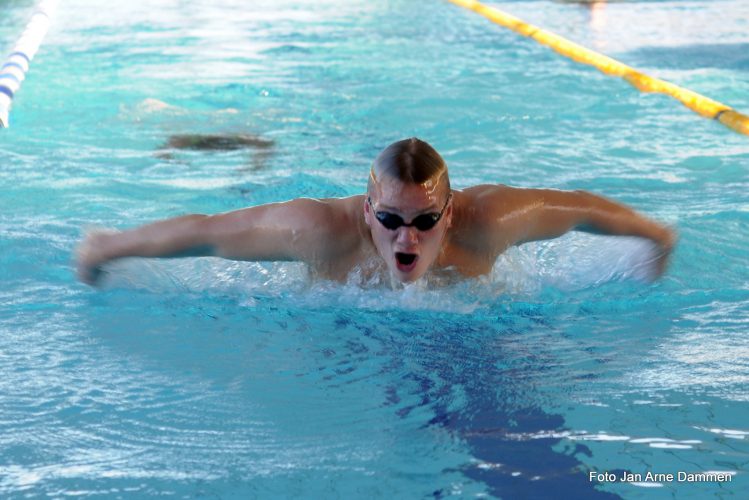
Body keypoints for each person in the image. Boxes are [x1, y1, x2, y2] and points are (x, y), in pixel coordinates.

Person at [76, 138, 675, 286]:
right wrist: (106, 246)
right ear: (368, 211)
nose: (405, 237)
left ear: (450, 210)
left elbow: (581, 210)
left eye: (424, 220)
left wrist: (653, 236)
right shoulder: (319, 231)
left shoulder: (489, 221)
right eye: (390, 220)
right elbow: (207, 233)